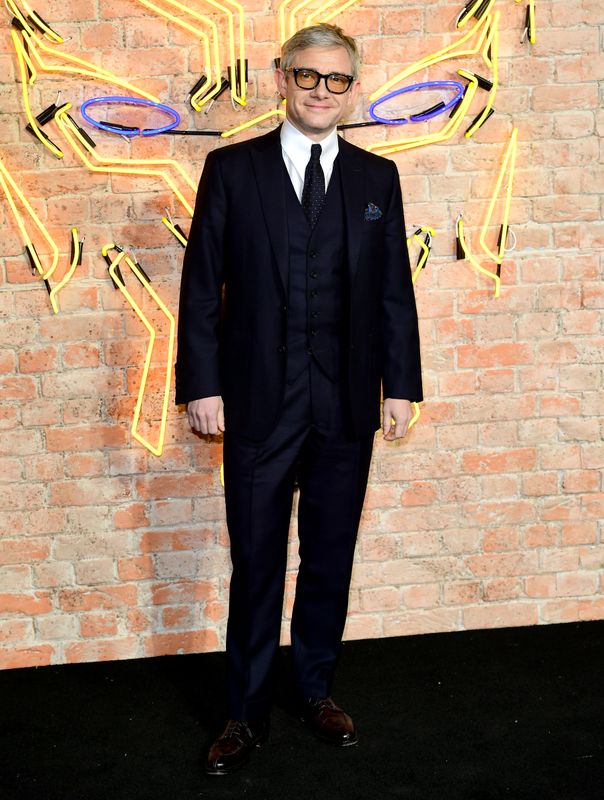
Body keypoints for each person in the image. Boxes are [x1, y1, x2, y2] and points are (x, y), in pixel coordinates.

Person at [175, 23, 423, 775]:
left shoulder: (376, 179)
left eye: (337, 80)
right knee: (255, 561)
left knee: (328, 558)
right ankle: (244, 714)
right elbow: (200, 288)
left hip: (345, 404)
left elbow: (393, 294)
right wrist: (202, 385)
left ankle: (315, 689)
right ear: (281, 79)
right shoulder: (230, 169)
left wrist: (402, 386)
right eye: (308, 77)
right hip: (255, 403)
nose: (322, 91)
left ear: (353, 88)